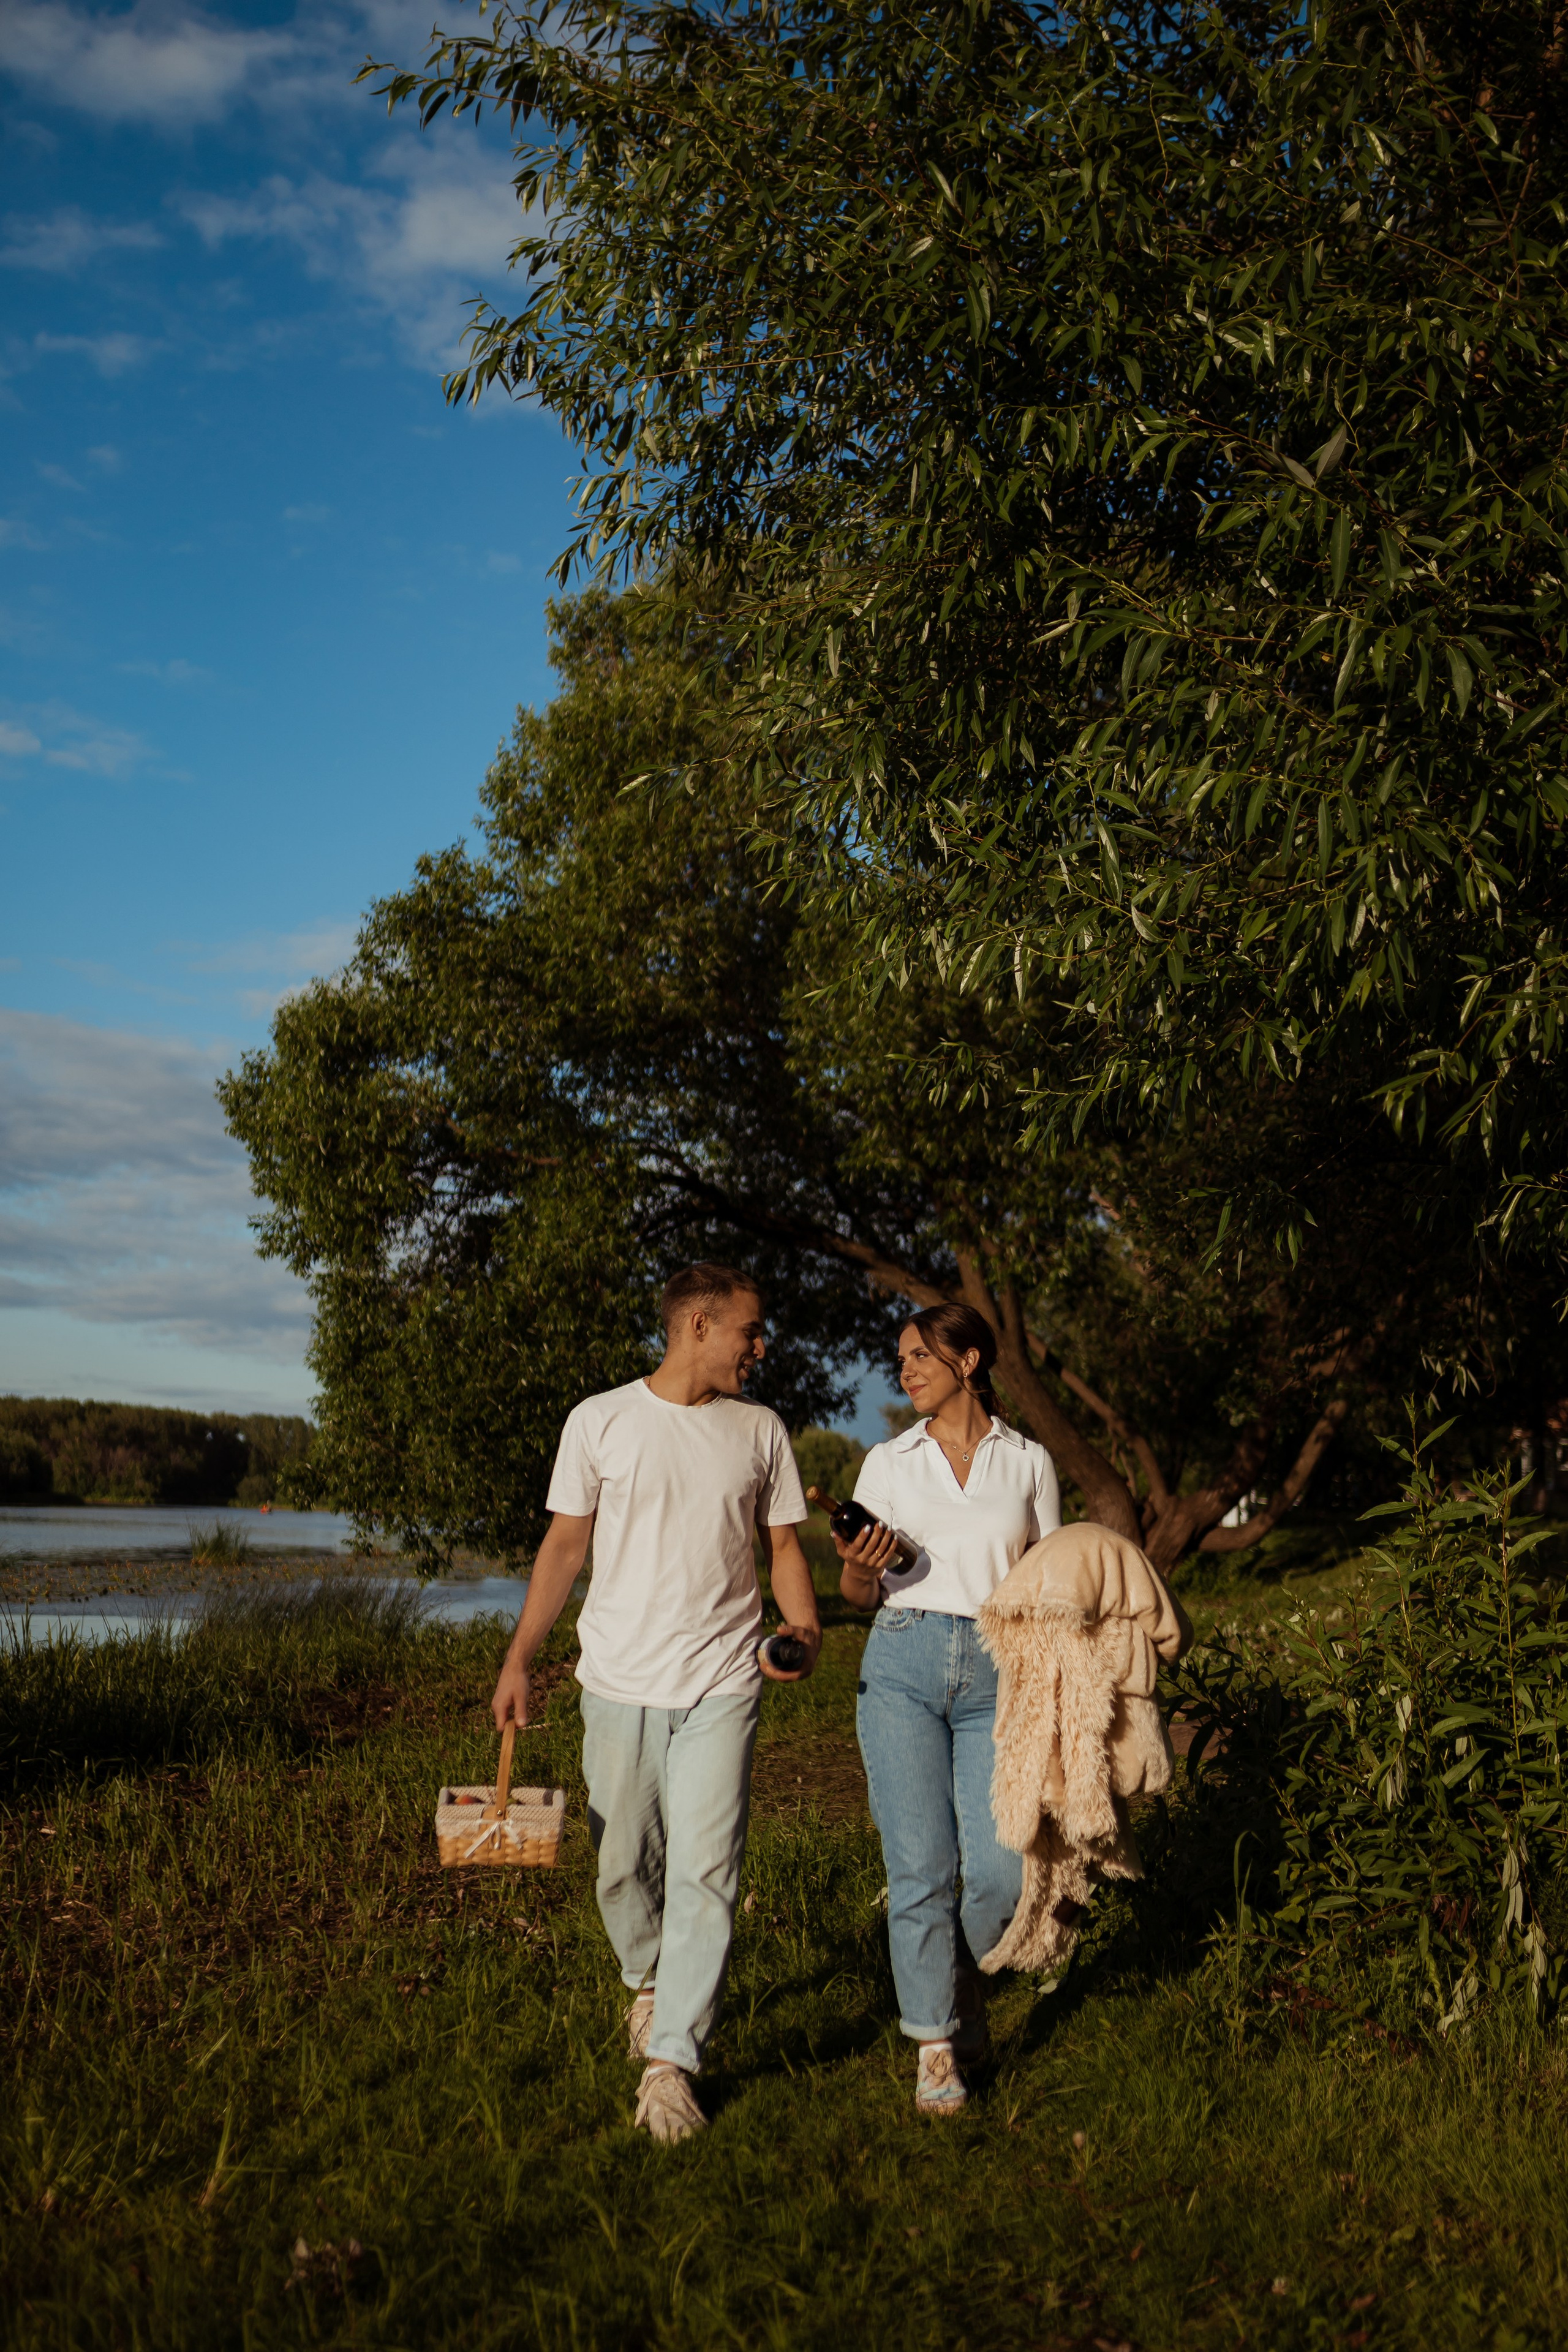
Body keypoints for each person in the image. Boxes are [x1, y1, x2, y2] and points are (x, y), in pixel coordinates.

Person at [489, 1262, 820, 2143]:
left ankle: (673, 2063)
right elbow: (564, 1549)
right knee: (621, 1862)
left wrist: (803, 1622)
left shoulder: (760, 1431)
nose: (761, 1347)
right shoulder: (599, 1421)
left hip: (725, 1679)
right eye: (750, 1330)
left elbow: (783, 1546)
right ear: (699, 1326)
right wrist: (521, 1657)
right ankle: (647, 1981)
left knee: (709, 1871)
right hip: (617, 1679)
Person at [833, 1301, 1061, 2116]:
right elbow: (856, 1593)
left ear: (968, 1362)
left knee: (1000, 1874)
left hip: (1000, 1668)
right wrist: (861, 1568)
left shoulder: (1029, 1462)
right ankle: (937, 2050)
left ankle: (955, 1999)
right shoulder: (888, 1463)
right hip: (902, 1661)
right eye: (900, 1360)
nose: (906, 1370)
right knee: (921, 1870)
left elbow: (1048, 1581)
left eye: (920, 1356)